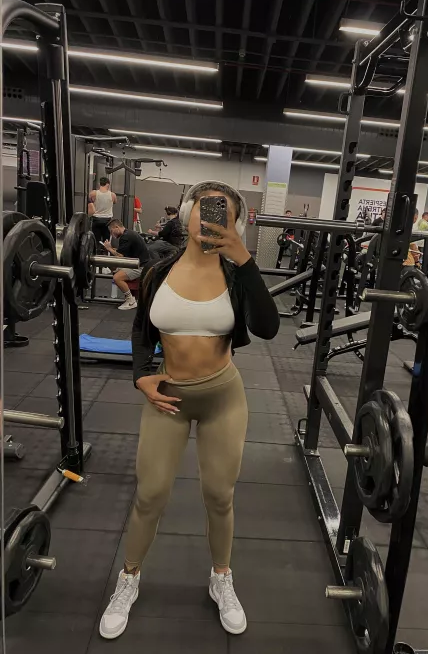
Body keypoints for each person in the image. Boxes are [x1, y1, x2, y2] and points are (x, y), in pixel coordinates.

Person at [99, 181, 280, 640]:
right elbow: (141, 329)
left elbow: (268, 327)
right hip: (169, 398)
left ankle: (222, 577)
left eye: (224, 212)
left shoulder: (236, 274)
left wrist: (244, 258)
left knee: (219, 495)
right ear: (187, 214)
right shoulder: (158, 270)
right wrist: (141, 374)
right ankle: (129, 578)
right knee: (150, 494)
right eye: (205, 209)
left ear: (235, 223)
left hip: (222, 397)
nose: (212, 218)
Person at [103, 219, 150, 311]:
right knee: (114, 268)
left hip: (140, 267)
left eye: (112, 231)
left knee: (117, 278)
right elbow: (123, 252)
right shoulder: (129, 233)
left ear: (117, 227)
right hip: (138, 264)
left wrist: (109, 248)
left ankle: (131, 301)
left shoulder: (125, 237)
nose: (112, 234)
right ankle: (132, 295)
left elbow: (120, 256)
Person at [89, 177, 116, 246]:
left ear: (99, 184)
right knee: (106, 241)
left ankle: (96, 251)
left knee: (96, 241)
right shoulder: (112, 195)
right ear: (108, 184)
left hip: (96, 219)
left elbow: (90, 201)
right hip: (107, 221)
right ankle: (105, 251)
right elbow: (115, 202)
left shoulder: (93, 193)